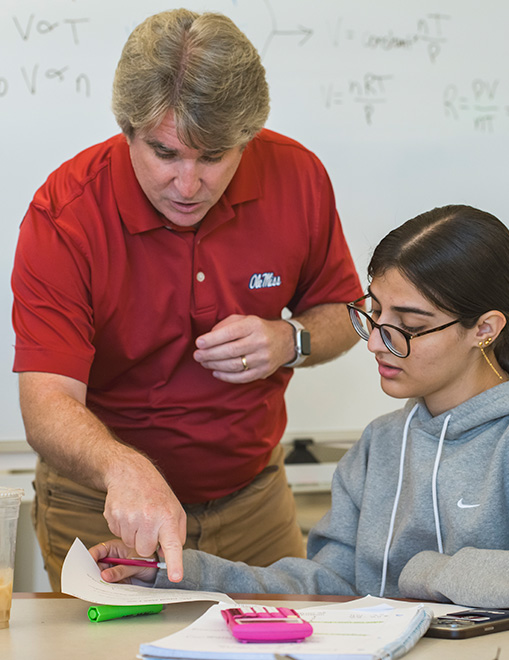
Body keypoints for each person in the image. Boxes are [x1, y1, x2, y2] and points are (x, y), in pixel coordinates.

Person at [91, 205, 509, 615]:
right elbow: (334, 587)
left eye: (409, 327)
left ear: (484, 328)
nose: (375, 343)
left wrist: (429, 574)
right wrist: (174, 574)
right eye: (373, 314)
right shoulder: (381, 443)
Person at [11, 9, 362, 591]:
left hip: (255, 503)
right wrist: (123, 468)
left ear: (247, 137)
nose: (188, 185)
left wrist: (290, 339)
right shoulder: (65, 215)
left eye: (215, 155)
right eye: (165, 154)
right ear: (127, 129)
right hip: (106, 504)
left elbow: (346, 314)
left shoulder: (298, 177)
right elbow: (46, 401)